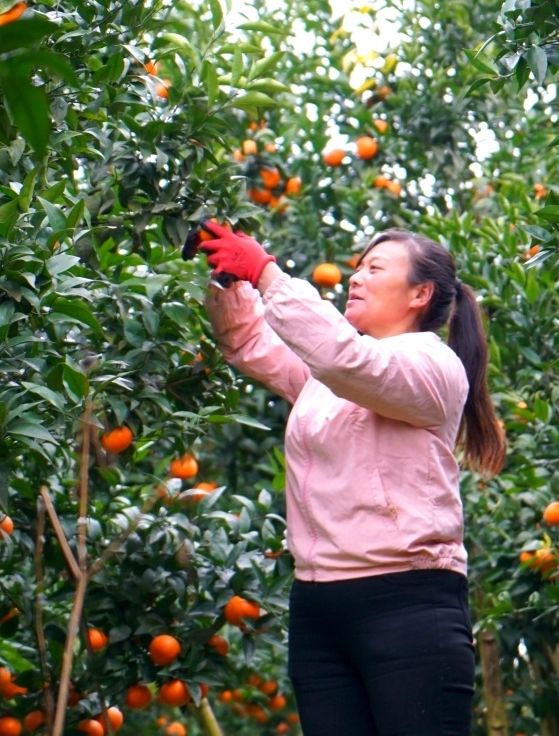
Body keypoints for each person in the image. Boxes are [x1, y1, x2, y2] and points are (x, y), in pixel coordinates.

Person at [196, 225, 506, 736]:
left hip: (405, 601)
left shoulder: (433, 365)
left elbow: (347, 360)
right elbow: (251, 342)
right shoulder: (331, 377)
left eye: (375, 268)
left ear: (419, 294)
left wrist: (266, 271)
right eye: (357, 267)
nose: (355, 278)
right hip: (319, 608)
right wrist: (230, 280)